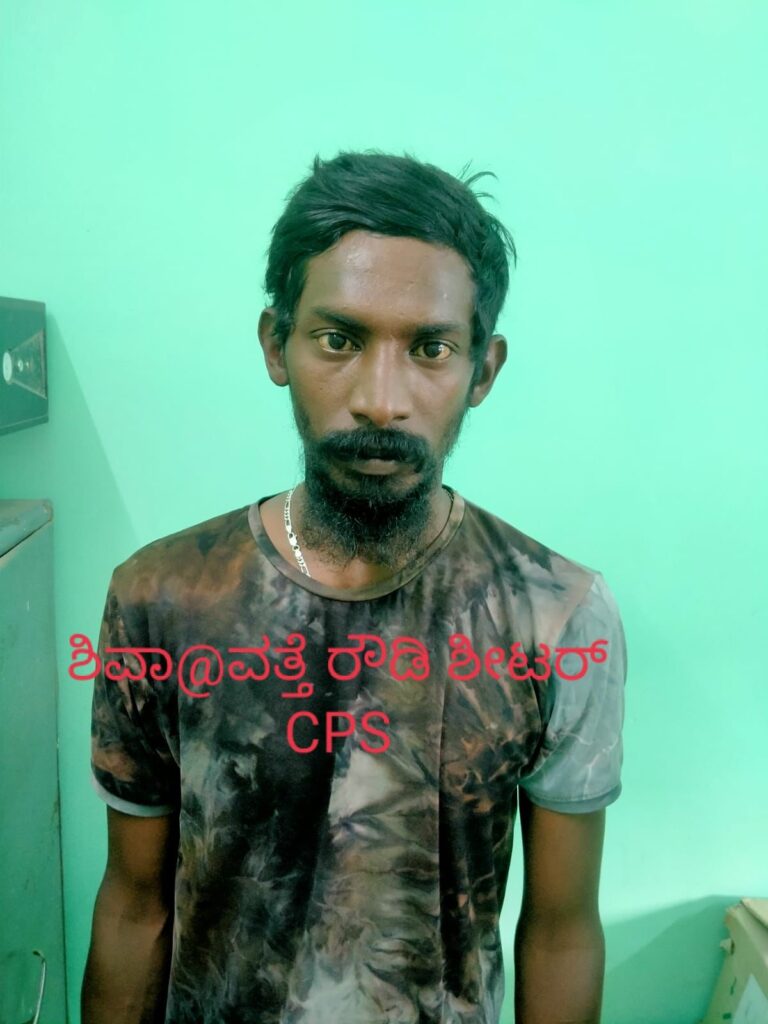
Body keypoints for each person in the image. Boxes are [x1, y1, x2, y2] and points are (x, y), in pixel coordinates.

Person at [81, 151, 627, 1024]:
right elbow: (133, 904)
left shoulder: (558, 617)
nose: (380, 399)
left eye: (430, 349)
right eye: (339, 339)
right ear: (276, 345)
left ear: (482, 372)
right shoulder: (162, 598)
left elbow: (561, 932)